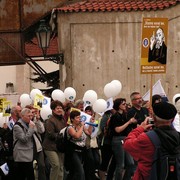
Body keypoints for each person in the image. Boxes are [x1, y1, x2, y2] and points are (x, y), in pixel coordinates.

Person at [123, 102, 179, 180]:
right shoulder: (178, 136)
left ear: (154, 118)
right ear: (172, 119)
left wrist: (140, 128)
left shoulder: (147, 138)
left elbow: (127, 144)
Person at [65, 110, 92, 180]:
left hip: (81, 151)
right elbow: (77, 136)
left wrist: (91, 124)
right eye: (77, 118)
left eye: (80, 117)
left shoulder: (80, 126)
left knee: (75, 171)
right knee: (80, 171)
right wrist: (82, 127)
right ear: (72, 119)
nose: (79, 119)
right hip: (73, 151)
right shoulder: (70, 128)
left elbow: (89, 133)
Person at [42, 100, 66, 180]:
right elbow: (50, 134)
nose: (59, 109)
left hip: (60, 147)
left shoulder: (63, 120)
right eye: (57, 108)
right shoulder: (50, 120)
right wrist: (61, 134)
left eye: (60, 108)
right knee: (56, 165)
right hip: (50, 147)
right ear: (53, 110)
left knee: (61, 167)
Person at [13, 108, 36, 180]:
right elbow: (24, 139)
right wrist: (31, 128)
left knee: (30, 176)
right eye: (28, 116)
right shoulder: (17, 126)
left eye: (31, 116)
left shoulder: (29, 123)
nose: (30, 118)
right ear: (22, 116)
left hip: (29, 154)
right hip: (22, 155)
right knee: (23, 176)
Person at [25, 105, 46, 180]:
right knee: (30, 167)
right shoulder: (25, 122)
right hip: (29, 148)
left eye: (35, 112)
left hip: (38, 147)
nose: (33, 114)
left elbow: (42, 130)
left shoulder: (36, 120)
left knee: (42, 165)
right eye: (32, 112)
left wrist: (38, 120)